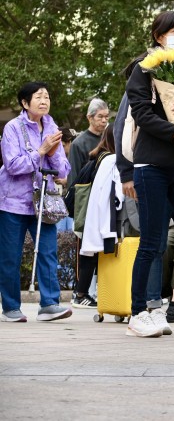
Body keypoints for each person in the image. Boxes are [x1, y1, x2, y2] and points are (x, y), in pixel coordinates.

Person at [125, 11, 174, 339]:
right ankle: (138, 312)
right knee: (152, 242)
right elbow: (139, 114)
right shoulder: (144, 68)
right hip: (151, 166)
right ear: (158, 36)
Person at [0, 82, 73, 323]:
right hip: (13, 201)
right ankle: (10, 307)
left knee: (48, 252)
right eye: (38, 97)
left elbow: (63, 169)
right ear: (25, 103)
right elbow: (12, 165)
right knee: (10, 255)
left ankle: (49, 304)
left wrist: (53, 156)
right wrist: (41, 151)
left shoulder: (51, 125)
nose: (44, 101)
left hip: (44, 200)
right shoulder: (12, 127)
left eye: (47, 97)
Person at [70, 124, 117, 309]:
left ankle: (83, 293)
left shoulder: (97, 155)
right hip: (94, 211)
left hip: (87, 211)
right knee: (90, 253)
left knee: (90, 252)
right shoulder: (109, 159)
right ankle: (81, 294)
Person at [68, 99, 109, 189]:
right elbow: (73, 177)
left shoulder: (109, 140)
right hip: (86, 194)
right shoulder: (78, 144)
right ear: (90, 118)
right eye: (100, 116)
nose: (104, 120)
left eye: (106, 117)